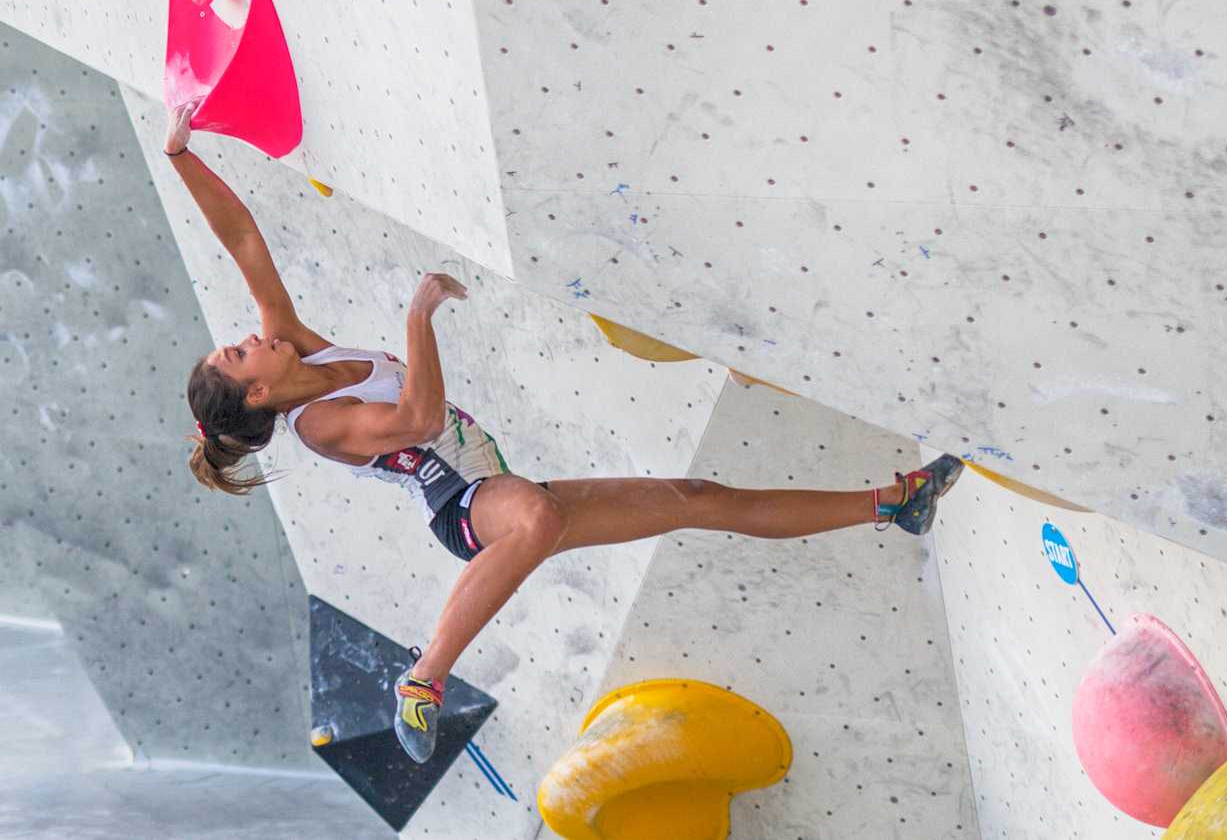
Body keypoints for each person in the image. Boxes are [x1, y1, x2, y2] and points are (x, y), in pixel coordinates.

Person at [164, 101, 966, 763]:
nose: (248, 335)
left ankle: (896, 502)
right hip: (465, 507)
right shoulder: (320, 424)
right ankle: (424, 677)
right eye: (238, 352)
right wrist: (419, 315)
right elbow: (419, 421)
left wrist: (182, 155)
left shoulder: (294, 345)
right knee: (538, 519)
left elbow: (243, 243)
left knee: (697, 497)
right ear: (260, 389)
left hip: (498, 486)